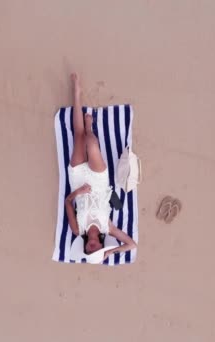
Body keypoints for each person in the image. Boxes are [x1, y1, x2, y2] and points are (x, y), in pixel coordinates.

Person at [65, 73, 137, 263]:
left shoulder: (77, 229)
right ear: (101, 246)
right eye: (96, 251)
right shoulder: (108, 227)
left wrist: (78, 192)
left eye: (88, 252)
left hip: (79, 180)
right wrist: (110, 253)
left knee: (78, 136)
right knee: (92, 144)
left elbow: (67, 202)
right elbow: (132, 245)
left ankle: (77, 94)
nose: (91, 249)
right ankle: (90, 129)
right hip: (98, 180)